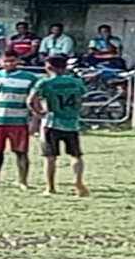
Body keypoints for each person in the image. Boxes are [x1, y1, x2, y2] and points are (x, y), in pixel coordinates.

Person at [28, 56, 89, 196]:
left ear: (49, 67)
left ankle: (50, 187)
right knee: (76, 155)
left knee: (50, 157)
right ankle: (78, 181)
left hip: (52, 122)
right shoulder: (76, 82)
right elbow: (81, 99)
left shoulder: (45, 82)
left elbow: (31, 100)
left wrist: (38, 112)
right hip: (72, 123)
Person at [0, 50, 40, 187]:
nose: (9, 64)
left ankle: (23, 181)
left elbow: (35, 100)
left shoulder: (29, 78)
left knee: (21, 151)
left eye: (12, 60)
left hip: (19, 120)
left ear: (18, 60)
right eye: (6, 61)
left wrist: (34, 120)